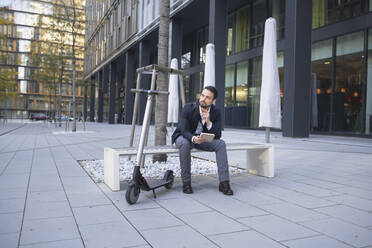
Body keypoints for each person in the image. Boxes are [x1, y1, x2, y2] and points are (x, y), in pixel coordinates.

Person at [171, 86, 233, 195]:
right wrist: (193, 138)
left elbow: (218, 135)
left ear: (213, 101)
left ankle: (224, 183)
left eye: (208, 97)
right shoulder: (188, 108)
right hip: (184, 137)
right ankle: (186, 183)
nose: (203, 99)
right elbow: (184, 130)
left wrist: (208, 122)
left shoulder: (216, 111)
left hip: (201, 140)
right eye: (202, 95)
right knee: (185, 144)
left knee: (221, 144)